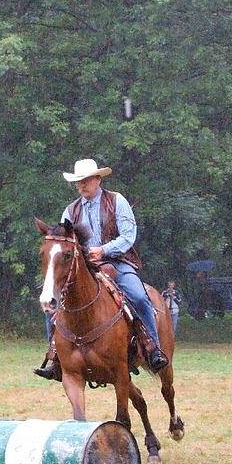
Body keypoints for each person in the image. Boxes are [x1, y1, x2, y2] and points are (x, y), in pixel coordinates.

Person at [34, 158, 169, 378]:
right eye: (78, 182)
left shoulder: (117, 201)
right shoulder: (70, 211)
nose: (81, 185)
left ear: (98, 179)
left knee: (139, 296)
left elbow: (128, 236)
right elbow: (63, 241)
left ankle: (153, 348)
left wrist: (103, 250)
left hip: (117, 261)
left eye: (85, 180)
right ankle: (56, 357)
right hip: (83, 267)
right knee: (52, 302)